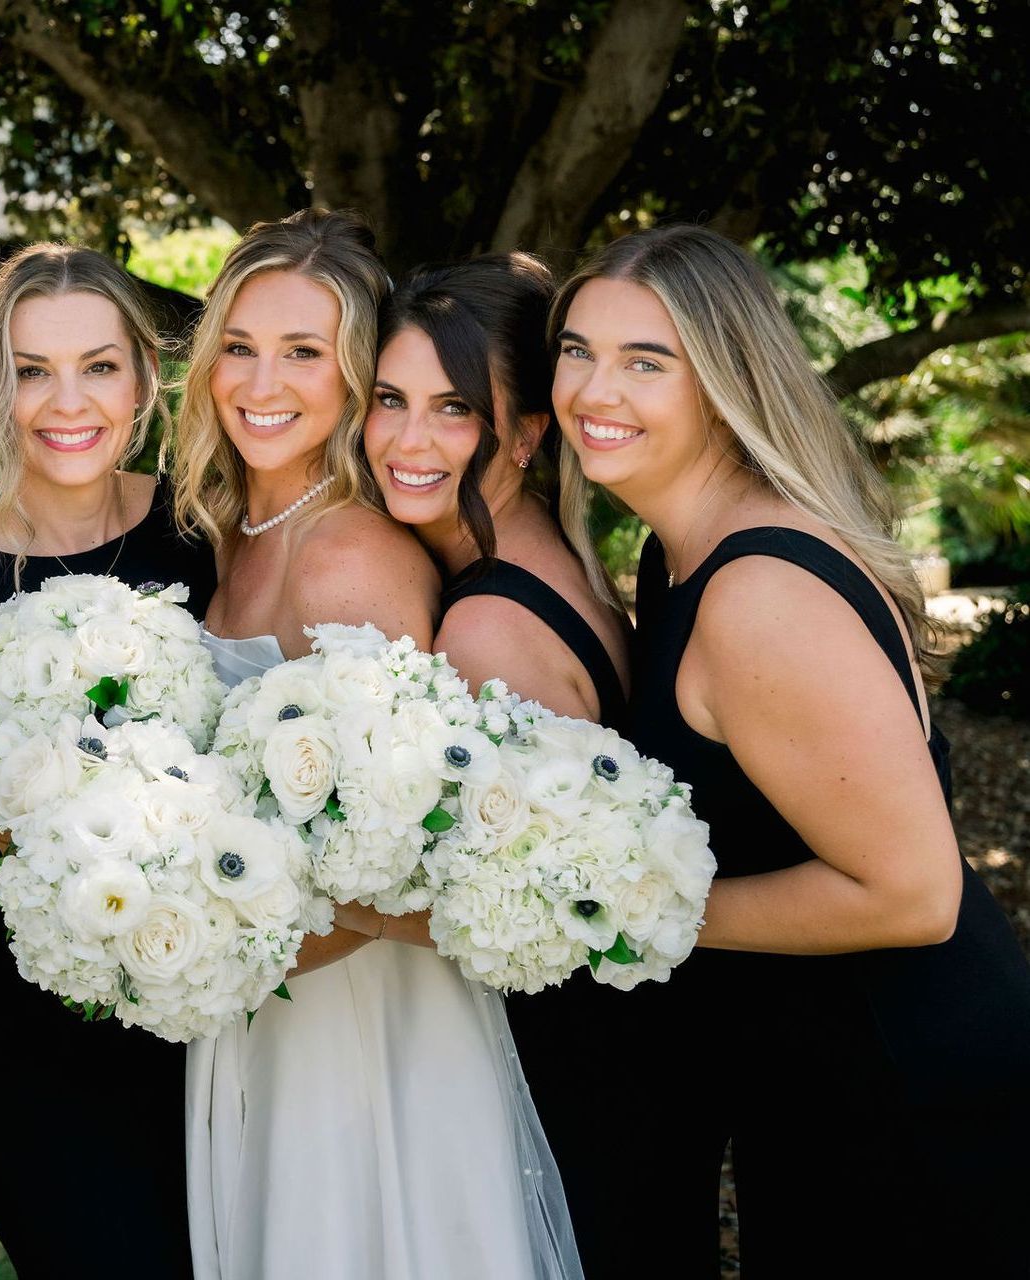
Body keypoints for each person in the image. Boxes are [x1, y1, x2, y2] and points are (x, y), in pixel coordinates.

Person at [552, 223, 1030, 1275]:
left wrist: (628, 909)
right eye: (576, 350)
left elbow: (913, 892)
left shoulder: (758, 591)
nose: (592, 388)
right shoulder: (673, 559)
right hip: (813, 1075)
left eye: (645, 361)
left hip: (910, 1087)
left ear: (724, 380)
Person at [174, 209, 580, 1280]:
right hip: (270, 1000)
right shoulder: (235, 531)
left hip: (359, 1025)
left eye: (303, 352)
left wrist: (187, 959)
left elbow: (393, 848)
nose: (261, 380)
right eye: (241, 346)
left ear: (349, 373)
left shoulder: (352, 554)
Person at [0, 242, 215, 1278]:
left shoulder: (205, 531)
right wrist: (42, 827)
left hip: (208, 996)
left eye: (100, 366)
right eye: (33, 369)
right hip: (26, 1022)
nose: (67, 401)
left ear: (144, 378)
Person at [361, 253, 632, 1262]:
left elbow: (495, 903)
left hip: (562, 1075)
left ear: (523, 432)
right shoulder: (544, 565)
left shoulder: (483, 629)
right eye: (389, 399)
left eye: (453, 408)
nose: (407, 438)